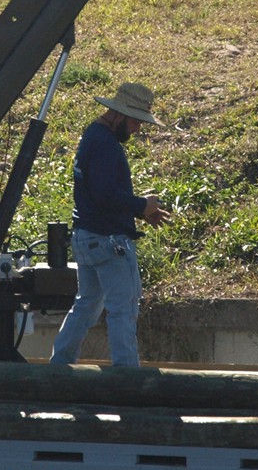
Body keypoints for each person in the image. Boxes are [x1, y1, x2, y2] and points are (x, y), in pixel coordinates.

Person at [49, 82, 171, 367]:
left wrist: (139, 212)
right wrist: (141, 204)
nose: (138, 129)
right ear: (119, 115)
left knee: (87, 304)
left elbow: (96, 195)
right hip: (109, 242)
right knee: (123, 309)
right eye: (135, 121)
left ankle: (59, 368)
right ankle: (127, 377)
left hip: (86, 236)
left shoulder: (92, 135)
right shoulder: (106, 144)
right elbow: (104, 194)